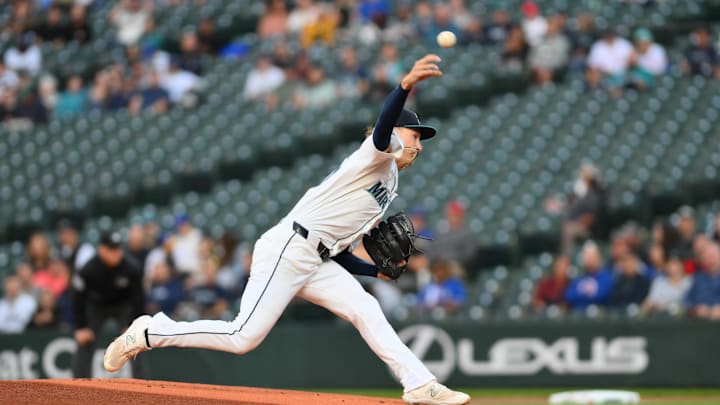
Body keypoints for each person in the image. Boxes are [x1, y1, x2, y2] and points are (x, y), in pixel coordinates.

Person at [104, 54, 471, 405]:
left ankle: (420, 384)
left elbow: (339, 249)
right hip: (290, 246)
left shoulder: (389, 182)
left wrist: (373, 270)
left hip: (317, 257)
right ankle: (151, 331)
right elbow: (383, 129)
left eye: (421, 140)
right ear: (395, 132)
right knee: (242, 337)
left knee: (366, 307)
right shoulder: (375, 154)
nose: (419, 145)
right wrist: (404, 86)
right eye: (415, 135)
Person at [72, 232, 145, 378]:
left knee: (135, 340)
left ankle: (144, 384)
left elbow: (138, 298)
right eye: (112, 250)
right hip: (97, 306)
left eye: (118, 249)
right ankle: (79, 384)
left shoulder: (131, 268)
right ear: (101, 250)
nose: (116, 254)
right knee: (86, 339)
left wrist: (133, 323)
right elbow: (78, 297)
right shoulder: (88, 269)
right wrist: (81, 327)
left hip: (122, 305)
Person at [565, 242, 613, 310]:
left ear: (598, 257)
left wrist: (581, 293)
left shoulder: (606, 276)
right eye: (586, 255)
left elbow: (602, 295)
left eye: (591, 256)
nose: (588, 259)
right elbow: (569, 296)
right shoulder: (579, 277)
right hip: (578, 316)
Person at [685, 242, 720, 320]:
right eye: (708, 256)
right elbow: (687, 299)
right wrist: (696, 309)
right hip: (699, 323)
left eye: (713, 256)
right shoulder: (698, 277)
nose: (711, 259)